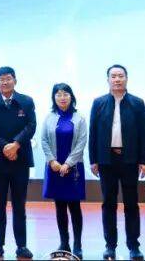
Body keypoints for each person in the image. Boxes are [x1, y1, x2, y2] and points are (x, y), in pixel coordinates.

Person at [89, 64, 145, 261]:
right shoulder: (99, 103)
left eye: (120, 76)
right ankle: (110, 246)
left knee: (131, 204)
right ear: (108, 80)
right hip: (106, 160)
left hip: (129, 160)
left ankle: (134, 246)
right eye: (113, 76)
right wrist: (93, 160)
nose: (117, 79)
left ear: (126, 78)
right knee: (108, 203)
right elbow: (93, 133)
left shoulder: (137, 103)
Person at [0, 66, 35, 260]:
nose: (5, 82)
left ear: (15, 81)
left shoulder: (26, 102)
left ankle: (22, 246)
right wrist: (5, 147)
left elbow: (31, 126)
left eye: (8, 78)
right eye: (1, 79)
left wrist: (16, 144)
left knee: (20, 205)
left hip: (20, 160)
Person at [40, 83, 87, 259]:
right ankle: (64, 242)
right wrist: (52, 160)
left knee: (74, 206)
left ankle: (77, 244)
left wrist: (68, 163)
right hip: (54, 168)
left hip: (73, 169)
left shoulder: (79, 118)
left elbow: (81, 143)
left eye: (65, 94)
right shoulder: (49, 118)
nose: (62, 97)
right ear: (54, 98)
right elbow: (44, 141)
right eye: (58, 94)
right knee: (59, 206)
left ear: (71, 97)